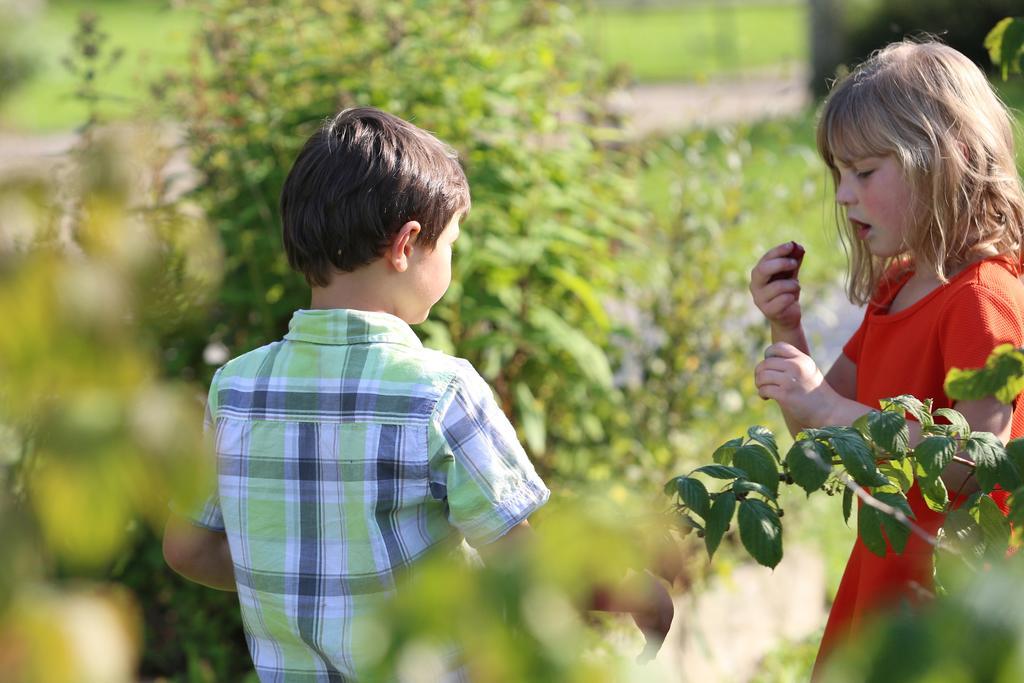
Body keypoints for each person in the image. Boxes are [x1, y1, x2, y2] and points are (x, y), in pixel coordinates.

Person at [162, 107, 671, 681]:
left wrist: (300, 574)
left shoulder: (237, 390)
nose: (452, 257)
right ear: (407, 245)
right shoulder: (439, 393)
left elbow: (187, 550)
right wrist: (627, 590)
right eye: (451, 242)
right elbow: (525, 568)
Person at [748, 40, 1024, 676]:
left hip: (951, 606)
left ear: (942, 164)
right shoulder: (899, 288)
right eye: (838, 174)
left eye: (865, 173)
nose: (844, 195)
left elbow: (978, 466)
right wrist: (785, 327)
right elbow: (817, 438)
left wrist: (830, 406)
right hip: (887, 587)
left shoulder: (981, 300)